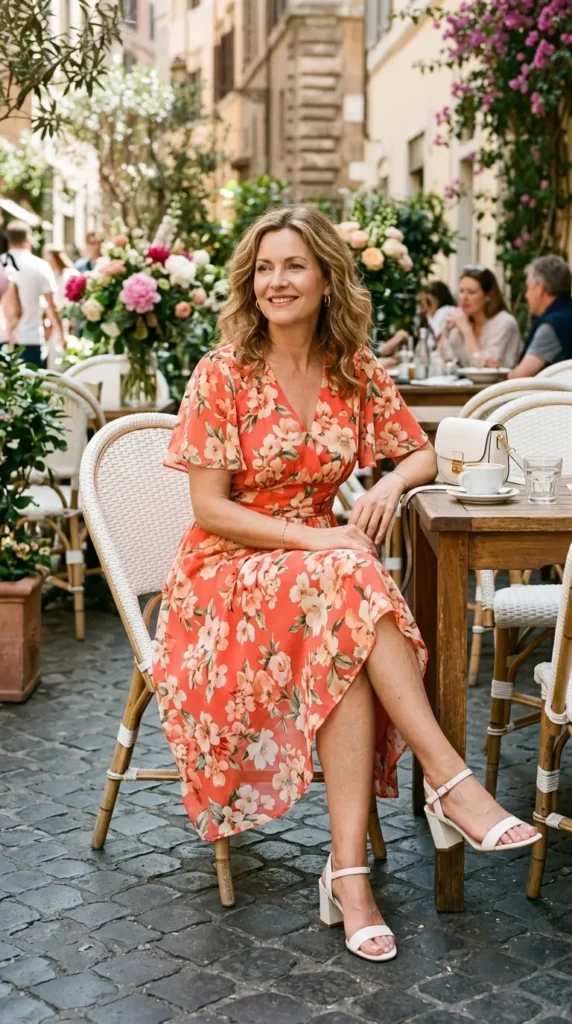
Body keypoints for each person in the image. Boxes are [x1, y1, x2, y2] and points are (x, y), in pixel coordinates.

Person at [152, 205, 539, 964]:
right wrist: (317, 536)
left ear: (327, 278)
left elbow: (422, 451)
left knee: (347, 619)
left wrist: (389, 483)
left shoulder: (351, 366)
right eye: (265, 268)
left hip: (321, 583)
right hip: (224, 577)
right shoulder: (222, 372)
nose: (277, 281)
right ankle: (448, 782)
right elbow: (209, 509)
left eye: (294, 266)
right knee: (351, 575)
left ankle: (351, 877)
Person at [2, 221, 63, 367]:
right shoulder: (40, 266)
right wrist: (62, 334)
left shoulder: (1, 263)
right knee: (31, 381)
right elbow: (52, 305)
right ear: (28, 239)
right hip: (30, 339)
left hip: (3, 338)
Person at [439, 265, 522, 368]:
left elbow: (485, 367)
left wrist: (467, 331)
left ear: (488, 296)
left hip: (500, 378)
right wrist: (446, 330)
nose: (464, 298)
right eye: (461, 291)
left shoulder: (504, 323)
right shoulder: (461, 325)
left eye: (471, 292)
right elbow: (442, 360)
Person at [509, 255, 572, 378]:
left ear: (539, 288)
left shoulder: (552, 326)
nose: (526, 296)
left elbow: (521, 375)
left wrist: (509, 374)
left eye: (528, 288)